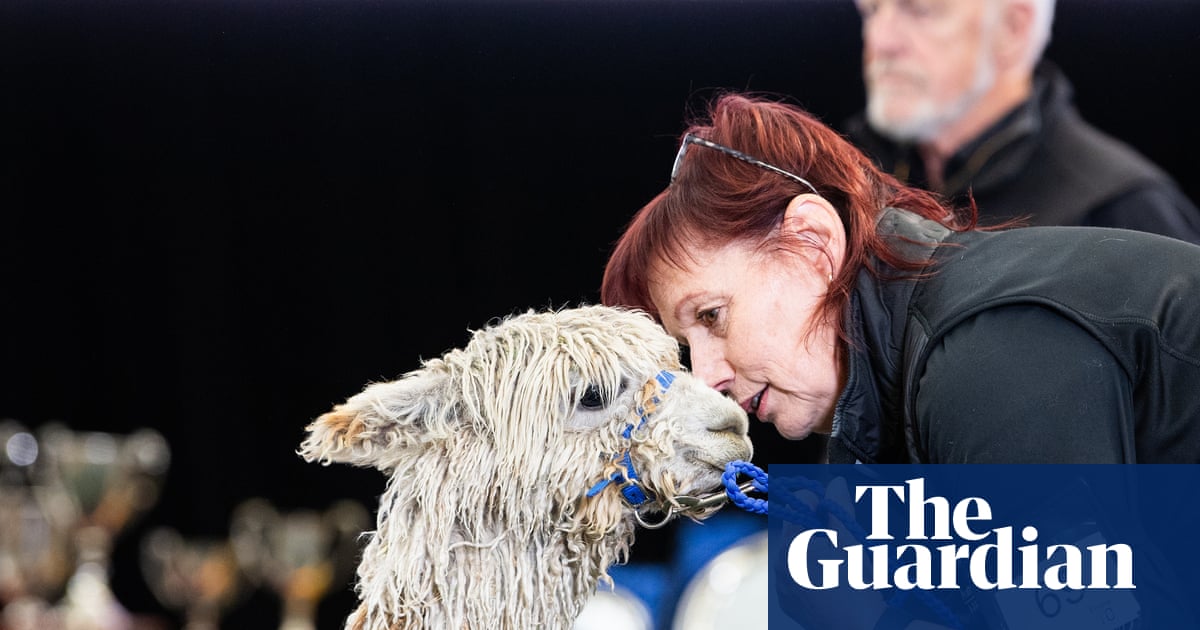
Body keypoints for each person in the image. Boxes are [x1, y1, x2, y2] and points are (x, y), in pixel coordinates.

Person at [600, 91, 1200, 465]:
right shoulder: (918, 377)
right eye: (688, 347)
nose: (705, 379)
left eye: (712, 317)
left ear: (812, 240)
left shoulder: (981, 353)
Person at [843, 0, 1200, 244]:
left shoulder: (1122, 212)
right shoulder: (842, 179)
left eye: (921, 10)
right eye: (872, 10)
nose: (881, 40)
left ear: (1013, 28)